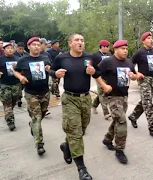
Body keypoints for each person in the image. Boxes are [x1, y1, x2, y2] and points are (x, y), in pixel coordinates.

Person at [50, 33, 111, 180]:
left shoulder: (89, 58)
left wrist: (94, 72)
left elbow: (99, 72)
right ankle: (82, 169)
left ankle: (66, 146)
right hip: (70, 99)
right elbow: (52, 70)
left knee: (80, 130)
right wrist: (56, 73)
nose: (80, 43)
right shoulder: (62, 58)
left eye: (82, 40)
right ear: (70, 43)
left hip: (85, 99)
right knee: (76, 133)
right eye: (77, 40)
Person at [99, 40, 137, 164]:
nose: (125, 50)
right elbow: (96, 73)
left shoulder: (129, 62)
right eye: (123, 48)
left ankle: (107, 139)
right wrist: (104, 86)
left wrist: (134, 76)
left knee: (117, 120)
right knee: (122, 121)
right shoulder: (107, 62)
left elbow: (134, 75)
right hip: (112, 97)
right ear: (116, 49)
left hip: (124, 96)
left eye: (126, 48)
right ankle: (119, 150)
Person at [13, 37, 51, 156]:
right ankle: (39, 144)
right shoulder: (23, 60)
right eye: (33, 44)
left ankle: (32, 126)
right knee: (37, 117)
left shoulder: (45, 58)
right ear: (29, 46)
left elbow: (50, 68)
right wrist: (20, 77)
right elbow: (15, 71)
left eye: (38, 45)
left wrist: (49, 69)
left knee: (42, 113)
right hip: (31, 93)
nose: (36, 46)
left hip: (45, 92)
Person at [128, 31, 153, 137]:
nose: (151, 40)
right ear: (144, 41)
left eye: (151, 38)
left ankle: (133, 116)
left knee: (145, 100)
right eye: (148, 38)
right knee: (148, 103)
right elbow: (130, 64)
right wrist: (137, 73)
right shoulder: (140, 52)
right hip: (143, 79)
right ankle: (152, 128)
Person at [0, 43, 21, 131]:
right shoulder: (0, 59)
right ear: (4, 50)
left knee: (13, 103)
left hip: (16, 84)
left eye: (11, 48)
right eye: (8, 48)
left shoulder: (18, 59)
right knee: (7, 103)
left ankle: (8, 113)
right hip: (4, 85)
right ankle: (10, 121)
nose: (10, 49)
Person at [92, 40, 112, 119]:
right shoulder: (95, 55)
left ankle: (94, 105)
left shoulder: (110, 55)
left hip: (108, 77)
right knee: (102, 94)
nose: (107, 48)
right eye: (105, 47)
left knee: (103, 93)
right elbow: (89, 64)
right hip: (99, 76)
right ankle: (106, 113)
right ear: (102, 47)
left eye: (108, 47)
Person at [14, 42, 28, 107]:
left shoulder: (26, 54)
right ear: (17, 48)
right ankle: (19, 98)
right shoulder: (14, 55)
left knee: (24, 86)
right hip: (17, 73)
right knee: (18, 86)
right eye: (20, 49)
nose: (21, 50)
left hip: (25, 72)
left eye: (22, 49)